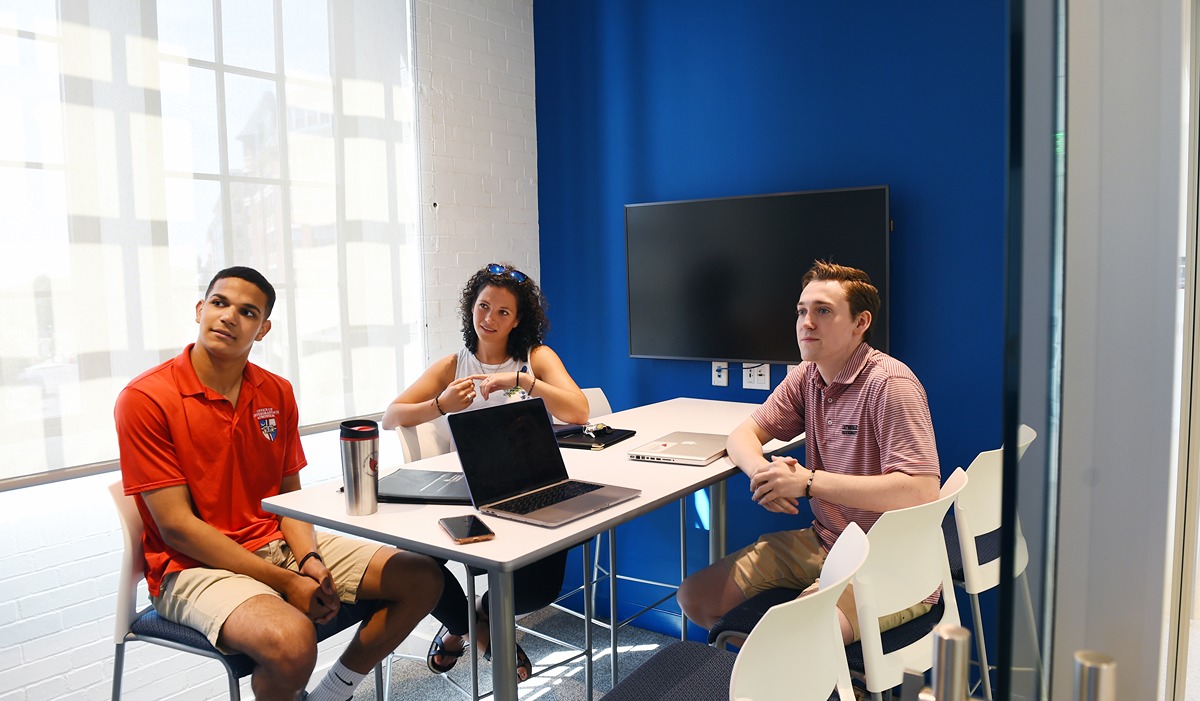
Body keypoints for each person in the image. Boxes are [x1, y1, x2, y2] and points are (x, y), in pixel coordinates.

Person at [115, 266, 443, 701]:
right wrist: (287, 583)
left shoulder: (277, 392)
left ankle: (331, 693)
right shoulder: (146, 398)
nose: (229, 317)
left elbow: (289, 498)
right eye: (219, 303)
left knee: (422, 576)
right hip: (189, 567)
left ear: (263, 329)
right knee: (292, 642)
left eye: (247, 311)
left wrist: (307, 558)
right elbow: (177, 527)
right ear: (199, 309)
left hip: (274, 543)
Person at [676, 260, 942, 645]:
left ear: (860, 322)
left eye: (823, 311)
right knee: (697, 598)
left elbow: (919, 492)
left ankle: (806, 672)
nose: (806, 322)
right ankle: (793, 674)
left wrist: (808, 483)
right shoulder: (807, 374)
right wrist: (764, 477)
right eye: (802, 311)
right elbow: (743, 435)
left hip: (893, 561)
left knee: (800, 637)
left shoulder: (890, 383)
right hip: (828, 540)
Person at [382, 262, 589, 681]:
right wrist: (439, 405)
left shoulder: (535, 358)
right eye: (483, 307)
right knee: (416, 560)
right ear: (470, 309)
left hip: (531, 489)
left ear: (518, 320)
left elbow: (578, 410)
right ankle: (482, 634)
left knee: (539, 590)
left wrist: (525, 382)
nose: (489, 319)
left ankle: (471, 621)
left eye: (503, 312)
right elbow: (391, 416)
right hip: (469, 493)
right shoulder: (451, 365)